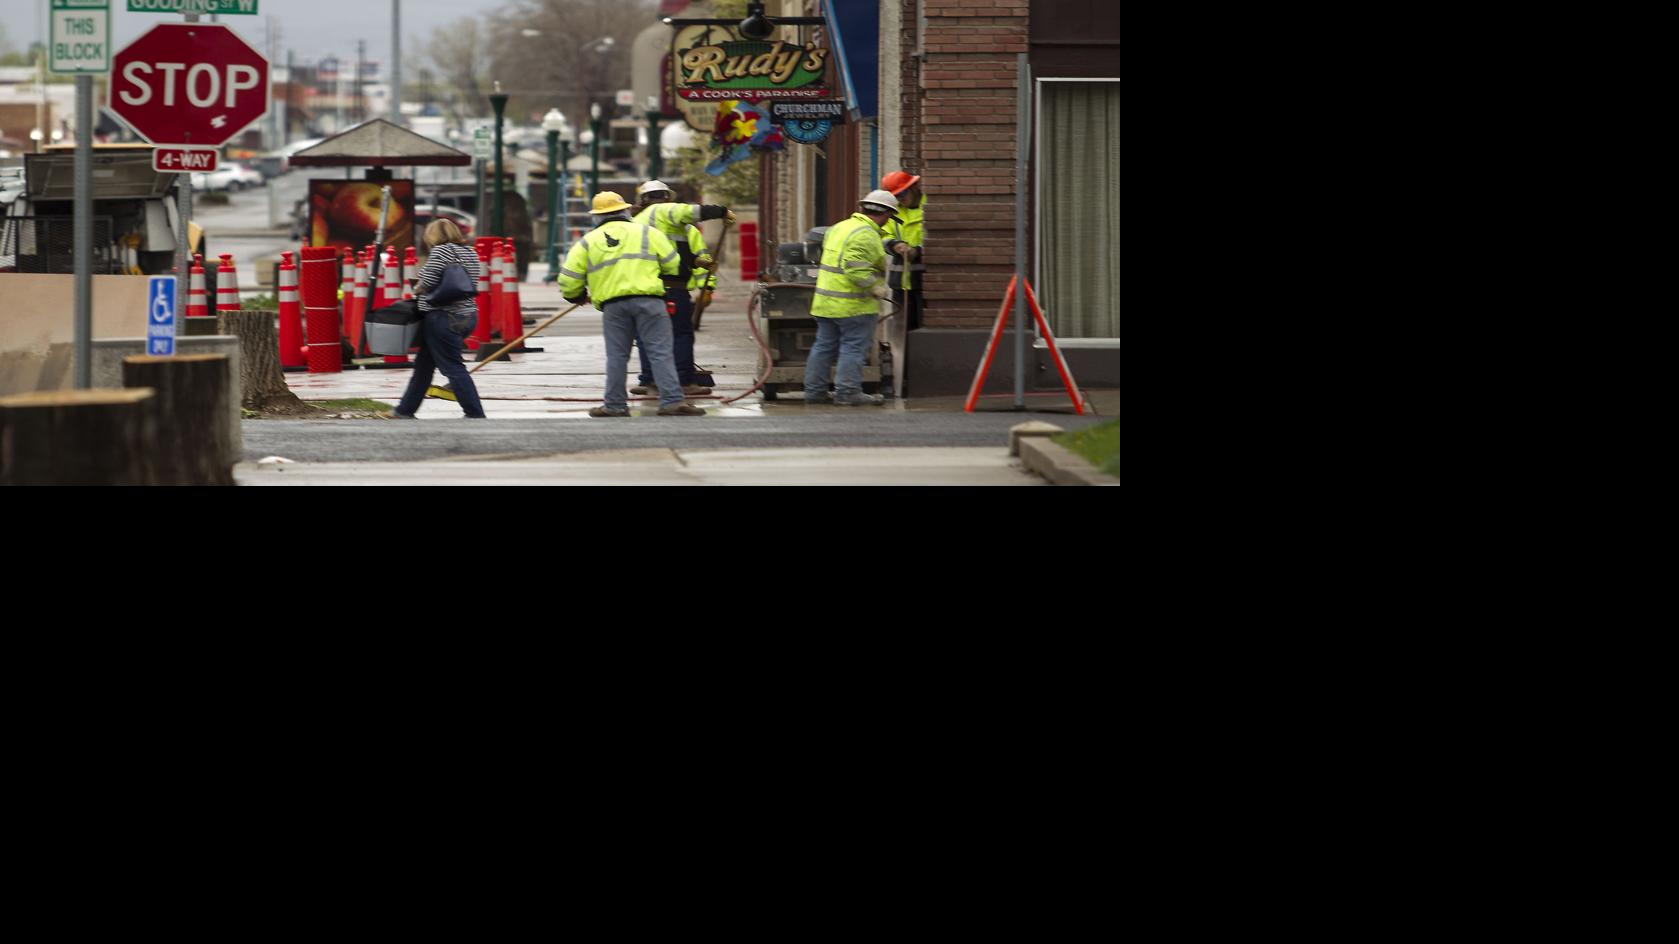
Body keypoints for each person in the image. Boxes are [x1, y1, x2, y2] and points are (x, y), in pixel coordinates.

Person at [558, 191, 706, 417]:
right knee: (660, 352)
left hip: (614, 306)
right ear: (625, 211)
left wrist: (576, 296)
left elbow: (568, 279)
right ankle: (672, 402)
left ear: (597, 216)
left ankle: (615, 405)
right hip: (651, 301)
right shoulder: (648, 232)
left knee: (617, 356)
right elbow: (672, 264)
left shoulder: (587, 242)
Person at [628, 180, 732, 397]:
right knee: (680, 334)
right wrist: (722, 211)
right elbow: (693, 211)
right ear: (667, 197)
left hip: (643, 288)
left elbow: (666, 251)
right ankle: (684, 381)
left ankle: (649, 380)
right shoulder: (664, 211)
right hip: (671, 288)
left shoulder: (635, 221)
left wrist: (695, 262)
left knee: (648, 336)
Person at [803, 190, 907, 406]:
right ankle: (848, 392)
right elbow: (855, 269)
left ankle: (815, 392)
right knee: (853, 348)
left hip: (825, 303)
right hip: (853, 306)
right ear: (887, 214)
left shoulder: (840, 227)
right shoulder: (866, 234)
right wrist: (876, 287)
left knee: (823, 347)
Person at [391, 219, 486, 419]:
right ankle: (405, 410)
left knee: (453, 367)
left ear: (432, 236)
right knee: (423, 366)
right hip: (468, 315)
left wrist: (417, 288)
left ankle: (475, 413)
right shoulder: (471, 252)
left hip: (443, 317)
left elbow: (428, 281)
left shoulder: (441, 251)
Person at [880, 171, 925, 330]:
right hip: (900, 283)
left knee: (923, 327)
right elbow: (883, 234)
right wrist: (894, 245)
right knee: (901, 329)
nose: (900, 199)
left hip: (923, 281)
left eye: (902, 193)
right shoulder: (894, 213)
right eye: (896, 196)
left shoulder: (929, 208)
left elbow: (938, 238)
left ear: (914, 187)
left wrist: (918, 251)